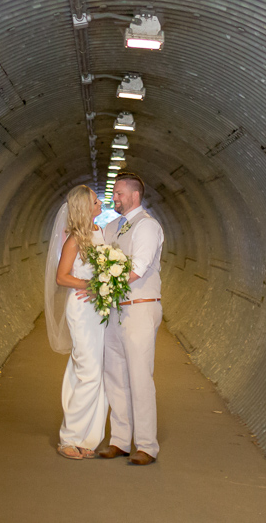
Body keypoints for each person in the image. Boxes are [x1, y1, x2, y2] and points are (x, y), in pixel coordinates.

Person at [96, 173, 164, 465]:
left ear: (135, 195)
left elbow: (137, 267)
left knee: (139, 377)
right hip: (114, 309)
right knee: (115, 375)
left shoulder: (147, 227)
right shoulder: (113, 226)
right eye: (115, 194)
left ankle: (147, 445)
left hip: (139, 306)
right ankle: (120, 441)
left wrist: (106, 281)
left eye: (120, 193)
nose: (116, 198)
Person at [44, 185, 109, 459]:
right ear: (85, 207)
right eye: (96, 201)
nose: (101, 206)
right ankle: (68, 437)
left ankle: (88, 438)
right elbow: (61, 277)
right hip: (82, 310)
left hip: (99, 310)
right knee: (90, 372)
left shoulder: (99, 233)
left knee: (91, 370)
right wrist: (91, 284)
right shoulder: (74, 240)